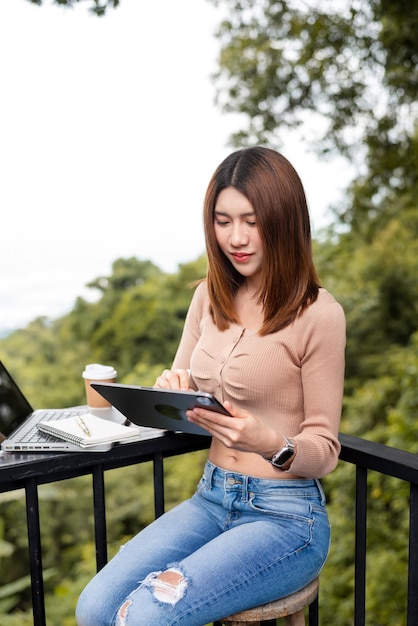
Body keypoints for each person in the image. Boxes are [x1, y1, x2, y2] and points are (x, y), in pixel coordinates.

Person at [76, 146, 346, 626]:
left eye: (252, 220)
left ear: (284, 221)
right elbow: (183, 392)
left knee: (143, 617)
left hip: (285, 518)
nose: (236, 238)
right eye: (223, 221)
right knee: (94, 608)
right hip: (212, 496)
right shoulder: (208, 296)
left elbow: (324, 450)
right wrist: (170, 390)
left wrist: (270, 442)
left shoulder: (319, 314)